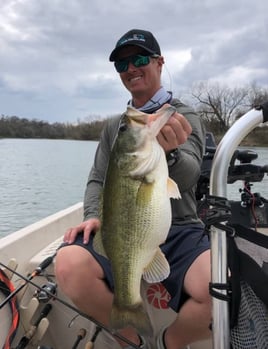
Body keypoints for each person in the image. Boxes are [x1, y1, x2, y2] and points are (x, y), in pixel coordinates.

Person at [55, 29, 211, 349]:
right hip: (121, 230)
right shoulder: (117, 125)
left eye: (139, 59)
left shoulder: (185, 115)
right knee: (68, 264)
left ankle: (171, 341)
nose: (130, 69)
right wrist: (92, 215)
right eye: (121, 65)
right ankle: (129, 339)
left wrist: (170, 154)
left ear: (159, 63)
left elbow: (190, 175)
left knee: (221, 287)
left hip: (179, 228)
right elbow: (98, 179)